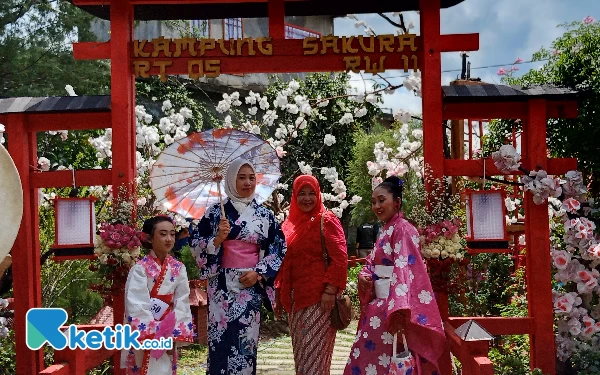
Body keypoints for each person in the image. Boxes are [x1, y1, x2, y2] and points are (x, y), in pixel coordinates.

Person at [189, 158, 287, 375]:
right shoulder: (215, 213)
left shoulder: (265, 215)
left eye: (252, 178)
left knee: (246, 343)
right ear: (231, 180)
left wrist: (259, 273)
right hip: (221, 287)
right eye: (241, 177)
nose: (247, 183)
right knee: (220, 342)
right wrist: (217, 239)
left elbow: (278, 248)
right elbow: (195, 244)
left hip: (250, 286)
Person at [344, 176, 446, 375]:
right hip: (381, 308)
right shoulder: (386, 229)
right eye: (373, 202)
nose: (376, 206)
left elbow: (406, 269)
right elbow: (372, 263)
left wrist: (399, 311)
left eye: (382, 200)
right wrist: (365, 276)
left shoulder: (403, 229)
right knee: (371, 361)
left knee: (391, 363)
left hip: (394, 310)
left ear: (397, 202)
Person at [275, 174, 347, 375]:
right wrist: (279, 295)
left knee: (315, 362)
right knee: (303, 362)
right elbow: (285, 263)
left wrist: (331, 291)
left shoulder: (327, 220)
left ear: (318, 195)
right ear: (294, 197)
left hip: (319, 301)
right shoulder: (289, 226)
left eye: (311, 194)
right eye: (301, 194)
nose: (307, 199)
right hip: (296, 303)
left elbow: (340, 258)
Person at [121, 215, 195, 375]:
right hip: (146, 337)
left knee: (166, 369)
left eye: (172, 234)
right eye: (162, 234)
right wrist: (155, 332)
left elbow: (182, 302)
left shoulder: (178, 268)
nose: (169, 239)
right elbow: (137, 304)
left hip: (170, 332)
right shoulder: (140, 269)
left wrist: (172, 331)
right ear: (149, 238)